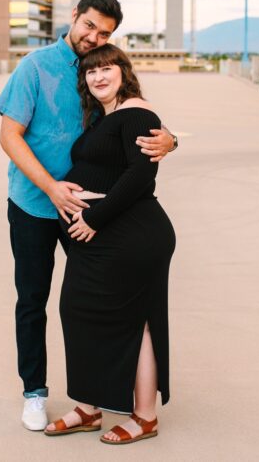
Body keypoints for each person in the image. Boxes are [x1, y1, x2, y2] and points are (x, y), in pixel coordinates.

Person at [0, 0, 177, 431]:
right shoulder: (34, 67)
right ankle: (34, 394)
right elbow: (9, 137)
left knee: (91, 309)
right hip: (35, 206)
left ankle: (98, 401)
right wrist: (53, 189)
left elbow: (133, 120)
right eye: (89, 26)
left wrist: (169, 137)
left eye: (105, 34)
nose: (94, 37)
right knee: (34, 301)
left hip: (93, 219)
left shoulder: (102, 71)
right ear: (73, 16)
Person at [42, 44, 175, 445]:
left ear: (123, 71)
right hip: (103, 239)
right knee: (80, 313)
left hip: (129, 235)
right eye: (90, 72)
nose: (98, 77)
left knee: (139, 321)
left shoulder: (136, 111)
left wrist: (93, 219)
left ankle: (144, 416)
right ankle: (88, 407)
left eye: (106, 68)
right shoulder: (108, 116)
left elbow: (140, 177)